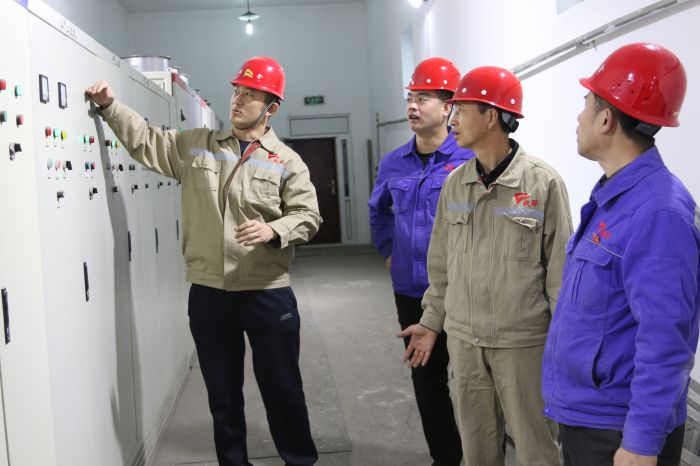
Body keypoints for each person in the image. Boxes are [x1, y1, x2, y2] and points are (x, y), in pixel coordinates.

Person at [85, 56, 321, 466]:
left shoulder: (287, 161)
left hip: (267, 293)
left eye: (250, 94)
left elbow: (309, 216)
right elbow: (147, 141)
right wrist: (111, 106)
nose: (238, 100)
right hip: (210, 292)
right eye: (237, 91)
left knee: (282, 391)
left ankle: (299, 461)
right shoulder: (198, 145)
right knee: (223, 396)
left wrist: (273, 230)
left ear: (271, 107)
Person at [399, 66, 572, 466]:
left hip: (523, 345)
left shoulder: (543, 184)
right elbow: (441, 265)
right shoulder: (456, 184)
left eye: (461, 110)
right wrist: (431, 323)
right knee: (477, 452)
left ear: (491, 116)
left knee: (536, 451)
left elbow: (560, 275)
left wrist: (565, 346)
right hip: (465, 343)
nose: (452, 120)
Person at [541, 43, 700, 466]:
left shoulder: (658, 212)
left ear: (606, 119)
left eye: (586, 104)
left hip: (616, 432)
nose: (579, 118)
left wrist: (641, 443)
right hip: (590, 418)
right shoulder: (616, 198)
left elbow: (667, 339)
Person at [368, 57, 471, 466]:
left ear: (448, 107)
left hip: (462, 292)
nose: (412, 106)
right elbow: (378, 210)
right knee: (426, 380)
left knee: (473, 383)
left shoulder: (469, 158)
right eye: (410, 97)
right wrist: (389, 252)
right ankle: (446, 458)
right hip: (412, 291)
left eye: (423, 98)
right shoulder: (393, 162)